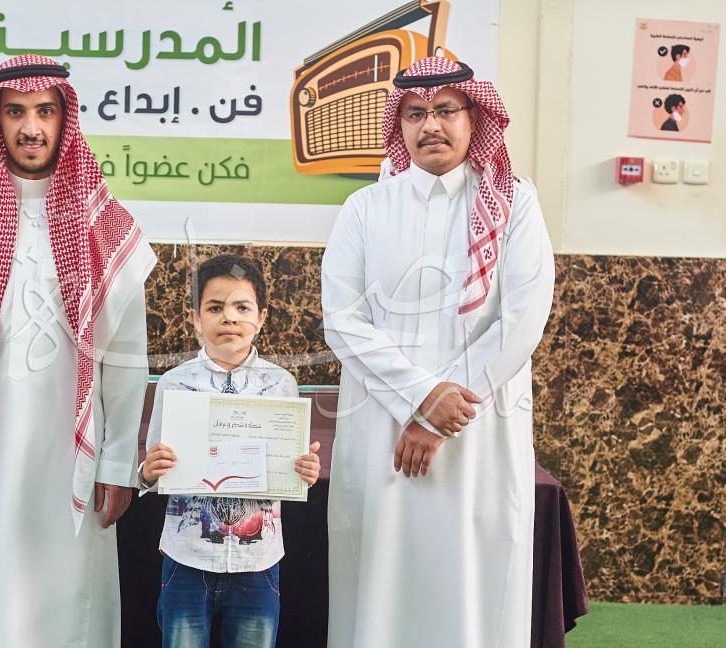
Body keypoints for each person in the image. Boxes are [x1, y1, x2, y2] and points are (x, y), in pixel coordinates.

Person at [0, 54, 156, 648]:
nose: (31, 127)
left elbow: (125, 360)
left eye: (44, 112)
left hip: (69, 457)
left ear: (66, 119)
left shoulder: (105, 223)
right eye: (15, 112)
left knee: (64, 602)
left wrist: (119, 462)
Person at [321, 57, 555, 647]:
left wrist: (439, 413)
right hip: (383, 428)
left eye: (446, 110)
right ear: (397, 125)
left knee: (474, 578)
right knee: (381, 579)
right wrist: (422, 398)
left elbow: (522, 317)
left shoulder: (515, 203)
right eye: (415, 113)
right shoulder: (365, 208)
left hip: (477, 428)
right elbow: (343, 321)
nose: (431, 125)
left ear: (474, 118)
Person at [139, 254, 321, 648]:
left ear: (262, 317)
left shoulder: (281, 384)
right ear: (195, 318)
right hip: (187, 557)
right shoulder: (174, 383)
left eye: (242, 308)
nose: (229, 318)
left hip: (258, 561)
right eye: (215, 308)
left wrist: (304, 471)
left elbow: (290, 469)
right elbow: (151, 471)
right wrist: (148, 472)